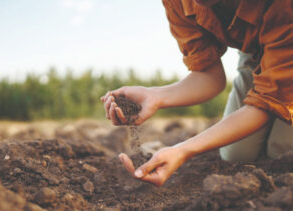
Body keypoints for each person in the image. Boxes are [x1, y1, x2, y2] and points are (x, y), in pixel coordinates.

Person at [101, 0, 293, 187]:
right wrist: (156, 96)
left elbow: (268, 102)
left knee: (281, 152)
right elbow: (209, 76)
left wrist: (183, 150)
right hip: (258, 53)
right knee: (237, 155)